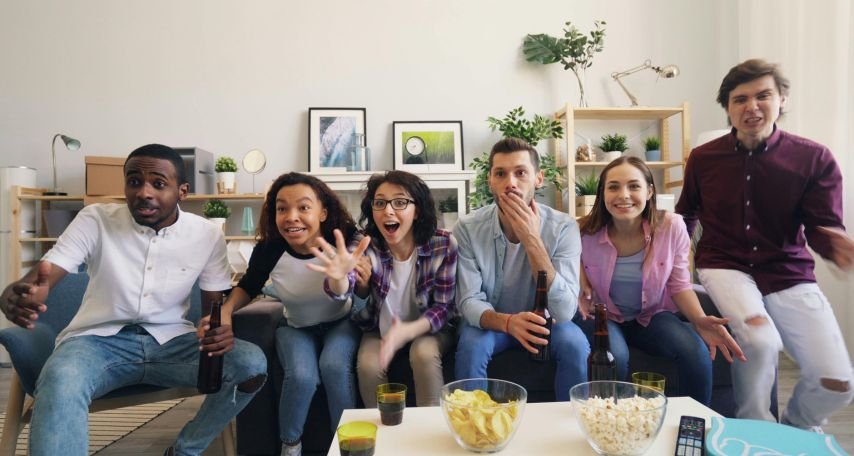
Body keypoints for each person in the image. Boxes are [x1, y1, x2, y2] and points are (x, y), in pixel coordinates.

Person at [0, 144, 267, 456]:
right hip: (96, 344)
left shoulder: (206, 234)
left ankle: (185, 449)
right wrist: (18, 292)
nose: (144, 192)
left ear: (182, 191)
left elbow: (213, 311)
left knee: (250, 364)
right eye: (134, 181)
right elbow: (44, 276)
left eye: (158, 183)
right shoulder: (96, 219)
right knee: (61, 378)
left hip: (172, 344)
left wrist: (217, 327)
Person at [676, 58, 854, 429]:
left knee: (838, 382)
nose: (751, 107)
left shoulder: (813, 158)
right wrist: (674, 267)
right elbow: (686, 215)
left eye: (763, 96)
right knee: (759, 341)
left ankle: (796, 429)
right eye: (740, 99)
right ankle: (755, 432)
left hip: (788, 270)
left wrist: (834, 242)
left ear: (782, 100)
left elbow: (822, 225)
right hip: (724, 265)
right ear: (727, 107)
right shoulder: (704, 159)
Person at [574, 156, 745, 405]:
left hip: (652, 314)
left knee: (695, 351)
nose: (623, 195)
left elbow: (679, 284)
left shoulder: (671, 226)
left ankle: (694, 424)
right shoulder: (582, 231)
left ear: (649, 191)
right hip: (603, 316)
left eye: (634, 186)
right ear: (602, 194)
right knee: (615, 355)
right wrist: (580, 275)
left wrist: (699, 319)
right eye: (613, 187)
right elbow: (561, 258)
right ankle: (610, 427)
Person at [222, 172, 369, 456]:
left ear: (323, 212)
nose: (291, 217)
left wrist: (342, 274)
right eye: (281, 208)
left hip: (341, 322)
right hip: (296, 326)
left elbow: (347, 286)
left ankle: (347, 445)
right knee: (302, 376)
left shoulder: (344, 241)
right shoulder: (269, 249)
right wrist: (226, 312)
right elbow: (248, 287)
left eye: (303, 207)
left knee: (334, 367)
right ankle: (290, 444)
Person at [453, 137, 589, 401]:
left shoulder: (563, 227)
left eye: (520, 173)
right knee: (472, 344)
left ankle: (571, 430)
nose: (510, 183)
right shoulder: (467, 228)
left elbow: (563, 311)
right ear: (490, 180)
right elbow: (469, 301)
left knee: (575, 343)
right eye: (501, 174)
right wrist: (508, 322)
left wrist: (532, 240)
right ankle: (473, 431)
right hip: (493, 321)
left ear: (538, 179)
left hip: (547, 323)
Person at [352, 170, 458, 407]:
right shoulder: (364, 244)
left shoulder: (442, 244)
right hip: (378, 329)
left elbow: (445, 308)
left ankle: (429, 432)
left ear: (417, 210)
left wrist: (406, 332)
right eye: (380, 203)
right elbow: (342, 286)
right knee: (369, 366)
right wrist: (354, 282)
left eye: (400, 202)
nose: (388, 211)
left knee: (423, 354)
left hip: (428, 329)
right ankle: (383, 434)